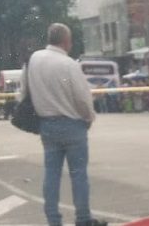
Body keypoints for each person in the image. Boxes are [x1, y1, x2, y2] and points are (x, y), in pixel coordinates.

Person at [22, 23, 106, 226]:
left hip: (46, 125)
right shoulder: (68, 64)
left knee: (51, 174)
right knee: (78, 175)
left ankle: (53, 220)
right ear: (66, 41)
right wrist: (89, 117)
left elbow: (25, 90)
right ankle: (83, 219)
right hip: (72, 125)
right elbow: (82, 98)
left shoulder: (33, 59)